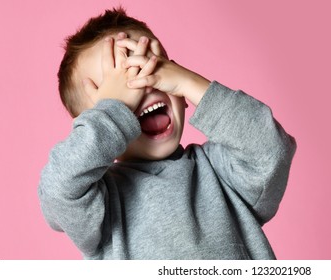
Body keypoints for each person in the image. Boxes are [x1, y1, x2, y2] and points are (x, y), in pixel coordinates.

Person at [38, 7, 296, 260]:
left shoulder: (222, 172)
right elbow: (58, 190)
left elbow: (270, 148)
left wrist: (188, 82)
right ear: (91, 123)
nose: (142, 88)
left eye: (151, 69)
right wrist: (113, 112)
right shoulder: (100, 204)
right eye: (117, 90)